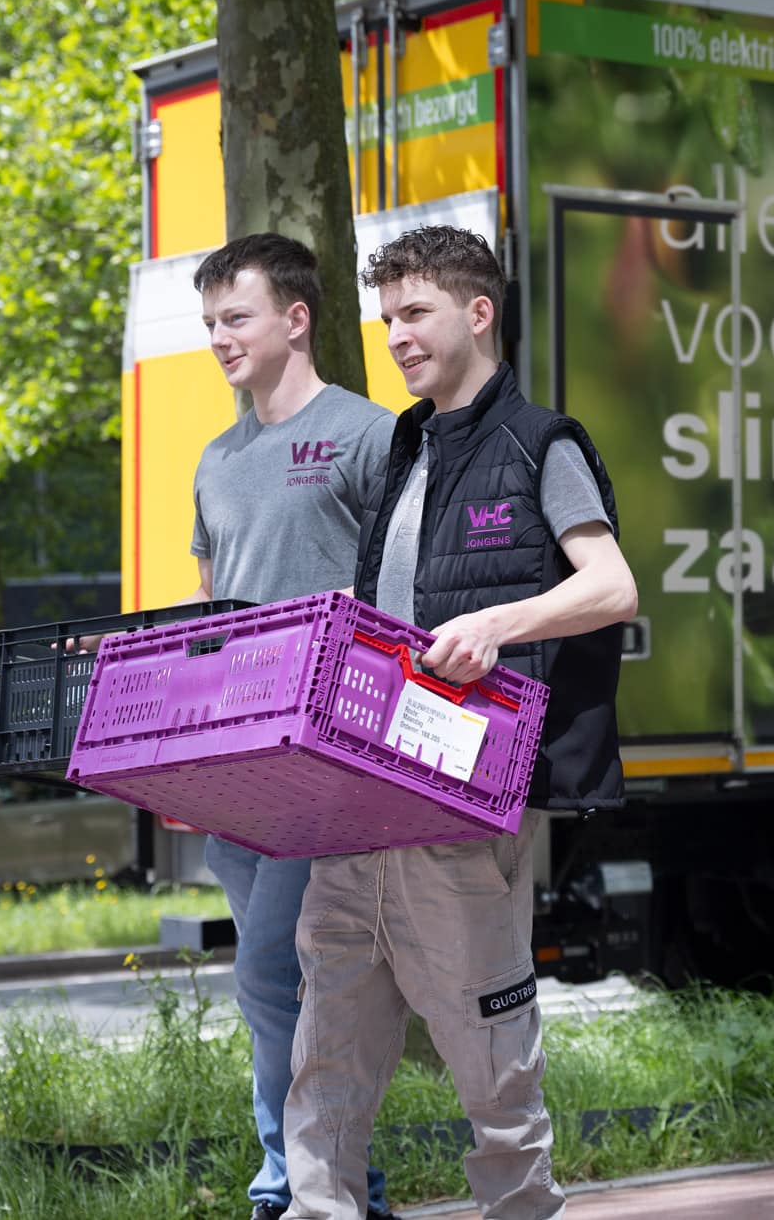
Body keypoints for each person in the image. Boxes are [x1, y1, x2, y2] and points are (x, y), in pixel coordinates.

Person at [279, 226, 638, 1220]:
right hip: (360, 796)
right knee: (328, 1051)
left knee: (488, 1059)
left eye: (415, 312)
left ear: (477, 313)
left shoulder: (542, 443)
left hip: (466, 795)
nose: (395, 335)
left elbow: (610, 586)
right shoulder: (404, 444)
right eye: (386, 315)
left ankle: (521, 1208)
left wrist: (493, 621)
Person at [184, 232, 401, 1220]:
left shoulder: (366, 433)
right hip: (236, 758)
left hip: (328, 754)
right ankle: (334, 1179)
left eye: (236, 317)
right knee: (273, 986)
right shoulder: (216, 459)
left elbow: (402, 594)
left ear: (295, 317)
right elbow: (211, 597)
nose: (220, 338)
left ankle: (292, 1183)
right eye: (210, 323)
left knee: (273, 960)